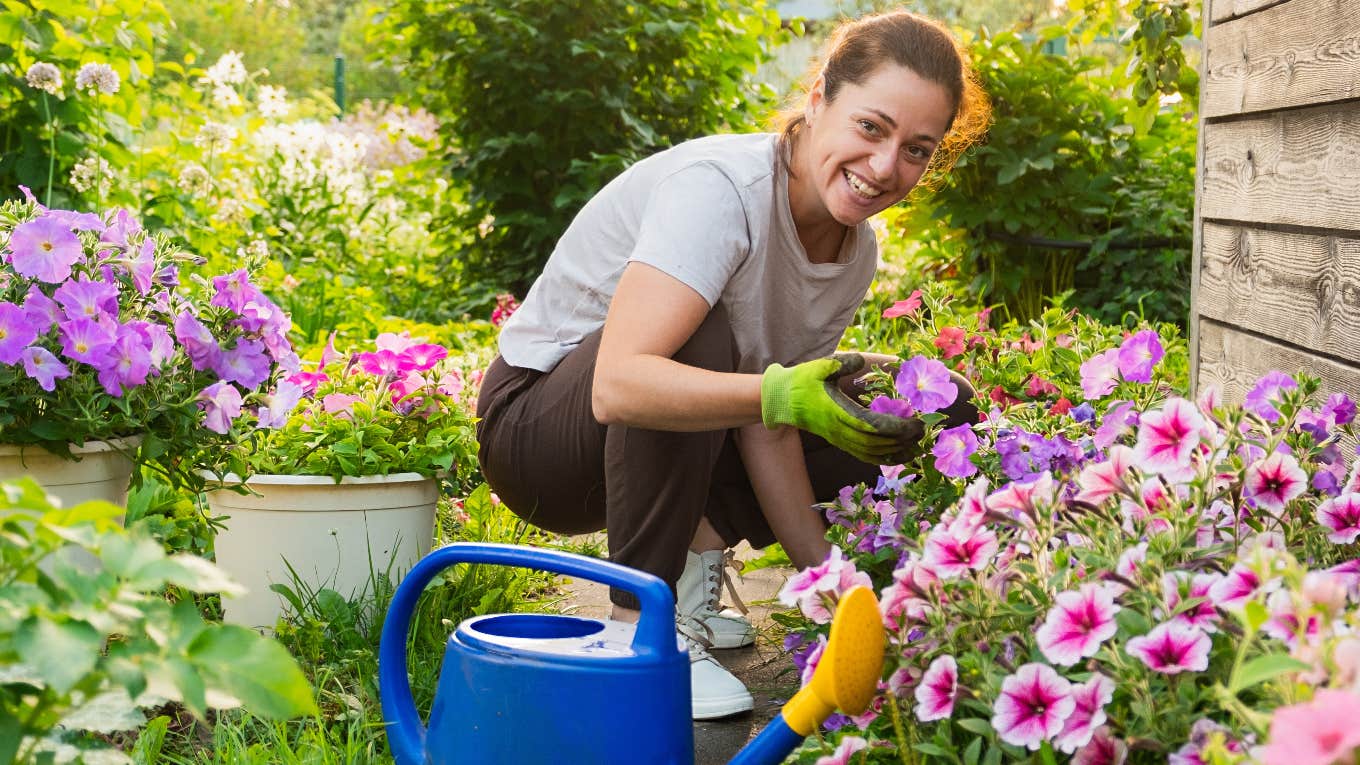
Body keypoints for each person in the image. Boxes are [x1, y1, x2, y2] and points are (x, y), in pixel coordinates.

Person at [476, 9, 990, 720]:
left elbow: (769, 415)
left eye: (917, 149)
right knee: (702, 335)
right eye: (871, 128)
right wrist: (778, 392)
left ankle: (691, 570)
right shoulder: (722, 189)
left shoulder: (853, 248)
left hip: (647, 441)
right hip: (537, 433)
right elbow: (621, 383)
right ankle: (642, 634)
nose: (885, 167)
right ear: (818, 99)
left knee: (920, 400)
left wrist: (832, 592)